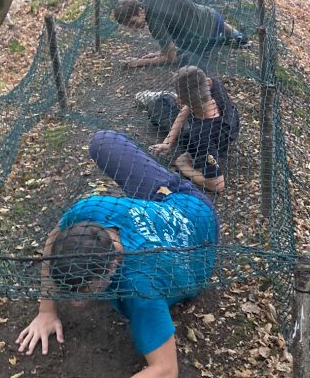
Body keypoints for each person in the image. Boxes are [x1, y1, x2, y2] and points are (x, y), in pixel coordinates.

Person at [16, 130, 218, 377]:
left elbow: (166, 370)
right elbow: (53, 237)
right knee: (102, 142)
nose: (75, 303)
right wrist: (46, 310)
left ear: (113, 265)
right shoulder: (88, 210)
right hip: (166, 202)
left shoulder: (140, 288)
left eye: (84, 291)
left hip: (191, 205)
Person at [138, 66, 240, 193]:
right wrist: (168, 142)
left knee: (160, 105)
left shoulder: (202, 136)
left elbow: (217, 185)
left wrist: (184, 166)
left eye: (180, 99)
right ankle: (170, 97)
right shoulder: (214, 85)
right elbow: (189, 106)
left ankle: (163, 97)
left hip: (202, 137)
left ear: (181, 101)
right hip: (228, 129)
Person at [112, 0, 249, 68]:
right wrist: (160, 52)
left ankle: (221, 39)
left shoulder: (154, 22)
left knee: (182, 54)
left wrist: (138, 62)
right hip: (213, 16)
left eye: (133, 23)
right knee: (197, 18)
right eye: (129, 26)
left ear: (140, 10)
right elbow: (170, 17)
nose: (134, 28)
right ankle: (238, 36)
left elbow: (171, 59)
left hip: (204, 38)